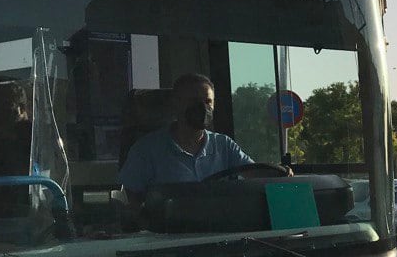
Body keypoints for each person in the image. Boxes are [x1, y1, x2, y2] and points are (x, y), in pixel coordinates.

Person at [118, 73, 284, 210]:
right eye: (194, 101)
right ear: (176, 104)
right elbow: (130, 201)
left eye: (208, 102)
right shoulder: (146, 150)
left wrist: (279, 174)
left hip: (218, 234)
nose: (203, 108)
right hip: (167, 238)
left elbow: (253, 174)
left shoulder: (224, 145)